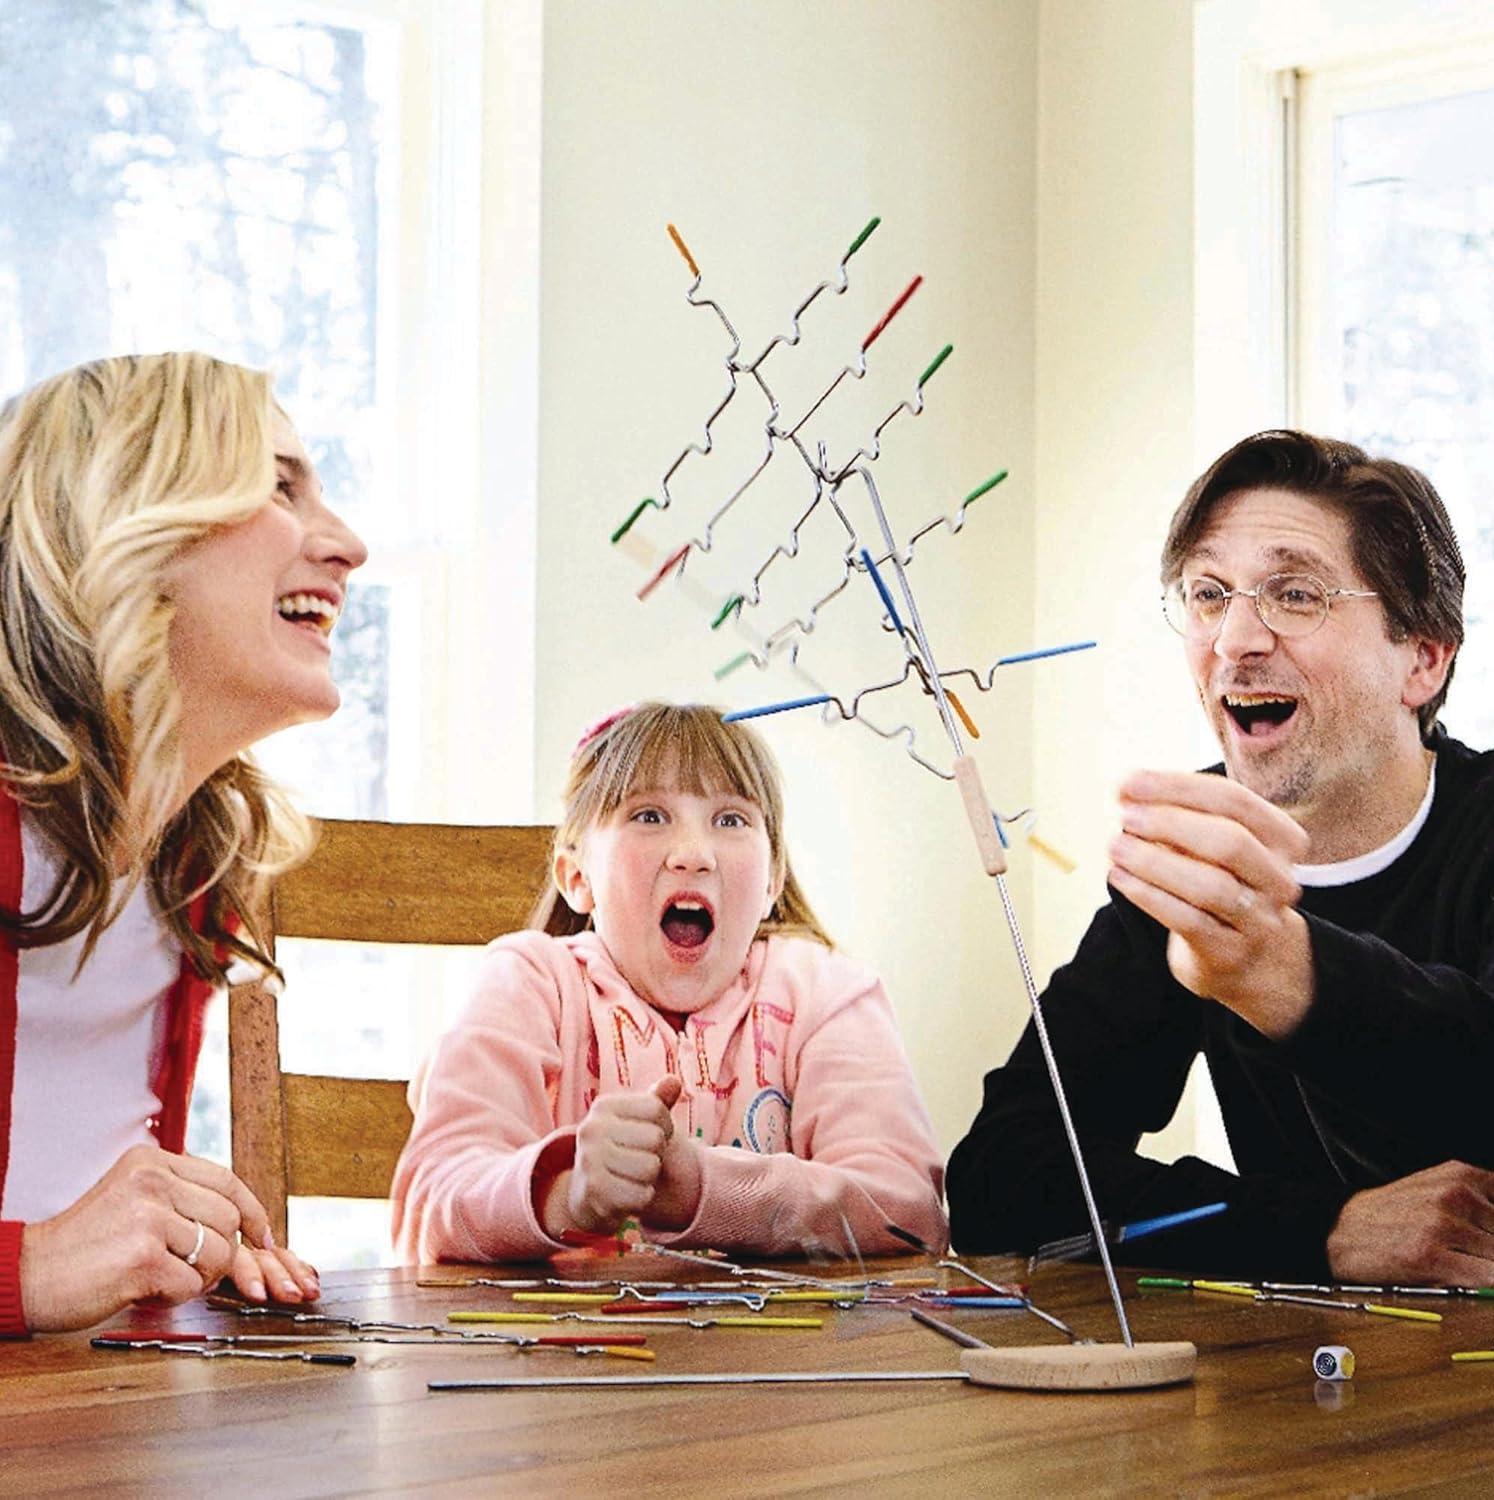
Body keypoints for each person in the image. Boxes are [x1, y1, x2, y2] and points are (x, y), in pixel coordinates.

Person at [948, 429, 1494, 1283]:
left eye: (1296, 594)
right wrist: (1322, 1231)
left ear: (1423, 658)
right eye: (1208, 594)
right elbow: (1001, 1177)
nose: (1234, 639)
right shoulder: (1197, 857)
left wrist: (1287, 974)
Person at [0, 352, 368, 1334]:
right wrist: (28, 1270)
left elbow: (71, 1199)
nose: (349, 546)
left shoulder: (192, 856)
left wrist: (167, 1241)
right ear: (125, 519)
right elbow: (41, 1261)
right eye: (279, 486)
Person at [392, 701, 946, 1261]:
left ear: (772, 881)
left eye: (730, 820)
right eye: (649, 816)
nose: (694, 855)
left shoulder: (828, 995)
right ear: (577, 876)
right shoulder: (527, 983)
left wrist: (706, 1190)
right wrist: (565, 1196)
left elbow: (910, 1214)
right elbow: (431, 1203)